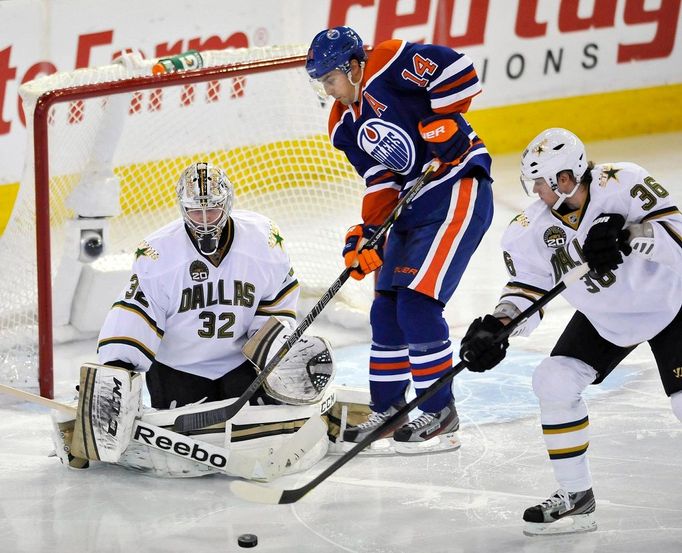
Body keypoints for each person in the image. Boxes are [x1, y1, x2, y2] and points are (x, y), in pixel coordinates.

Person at [459, 128, 682, 535]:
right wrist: (499, 325)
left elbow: (679, 237)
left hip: (670, 304)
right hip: (605, 319)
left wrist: (632, 234)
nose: (536, 191)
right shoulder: (529, 228)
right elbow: (528, 289)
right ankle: (577, 499)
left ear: (566, 178)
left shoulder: (625, 182)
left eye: (541, 182)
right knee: (553, 380)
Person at [306, 26, 494, 454]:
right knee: (386, 308)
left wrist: (443, 117)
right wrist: (367, 235)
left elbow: (461, 70)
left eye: (330, 79)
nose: (328, 90)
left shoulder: (389, 62)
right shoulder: (343, 124)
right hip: (412, 203)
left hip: (455, 187)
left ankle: (439, 410)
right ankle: (389, 410)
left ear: (353, 67)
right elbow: (380, 179)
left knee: (417, 302)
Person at [97, 161, 304, 408]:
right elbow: (136, 316)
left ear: (226, 205)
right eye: (196, 211)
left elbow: (276, 302)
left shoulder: (262, 242)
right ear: (183, 209)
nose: (205, 221)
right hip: (178, 368)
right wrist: (115, 371)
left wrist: (272, 349)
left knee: (259, 431)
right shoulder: (159, 254)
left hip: (241, 364)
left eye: (212, 210)